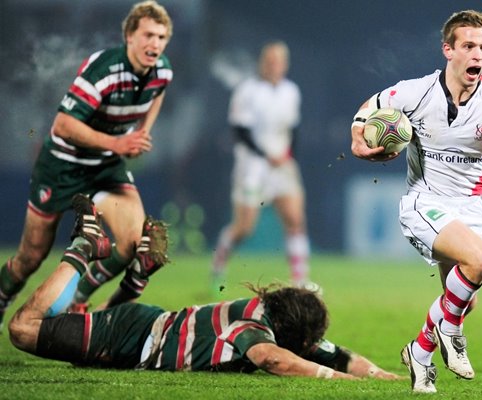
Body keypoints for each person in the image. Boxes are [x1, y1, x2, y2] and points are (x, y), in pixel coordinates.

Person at [8, 194, 399, 381]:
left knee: (69, 317)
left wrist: (385, 377)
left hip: (141, 328)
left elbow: (339, 354)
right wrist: (338, 379)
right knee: (24, 329)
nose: (312, 346)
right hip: (132, 336)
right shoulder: (253, 332)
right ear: (291, 333)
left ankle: (136, 276)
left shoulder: (265, 312)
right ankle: (83, 248)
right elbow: (274, 360)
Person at [350, 10, 482, 394]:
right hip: (423, 202)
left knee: (463, 299)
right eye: (468, 46)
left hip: (469, 209)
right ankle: (450, 332)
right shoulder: (415, 92)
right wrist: (357, 139)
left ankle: (421, 351)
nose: (477, 54)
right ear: (448, 49)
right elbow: (368, 106)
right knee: (481, 261)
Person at [0, 0, 174, 329]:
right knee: (31, 257)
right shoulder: (104, 69)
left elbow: (159, 92)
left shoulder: (162, 70)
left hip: (106, 166)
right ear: (129, 36)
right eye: (148, 35)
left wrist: (143, 131)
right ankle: (1, 296)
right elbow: (63, 125)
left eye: (162, 37)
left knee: (135, 242)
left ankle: (76, 301)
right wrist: (118, 142)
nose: (155, 44)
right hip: (62, 165)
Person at [211, 41, 314, 291]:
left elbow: (293, 129)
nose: (274, 66)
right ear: (262, 63)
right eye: (270, 61)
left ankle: (301, 281)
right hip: (253, 167)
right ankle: (219, 262)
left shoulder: (291, 91)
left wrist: (290, 157)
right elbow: (240, 131)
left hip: (282, 164)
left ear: (285, 65)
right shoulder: (247, 90)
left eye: (279, 61)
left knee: (295, 219)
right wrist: (267, 154)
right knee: (245, 227)